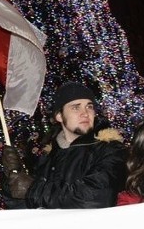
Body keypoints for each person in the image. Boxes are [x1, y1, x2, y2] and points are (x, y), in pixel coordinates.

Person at [25, 81, 128, 209]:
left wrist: (32, 191)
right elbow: (25, 210)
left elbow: (97, 197)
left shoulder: (110, 150)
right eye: (76, 107)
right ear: (59, 116)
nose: (85, 113)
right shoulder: (48, 158)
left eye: (89, 107)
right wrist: (12, 184)